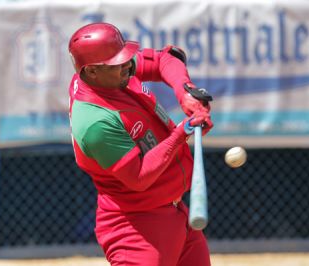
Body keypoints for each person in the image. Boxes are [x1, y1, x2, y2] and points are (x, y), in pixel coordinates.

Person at [67, 22, 214, 266]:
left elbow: (164, 59)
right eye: (118, 63)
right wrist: (182, 133)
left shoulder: (109, 75)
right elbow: (139, 177)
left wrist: (185, 93)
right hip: (137, 229)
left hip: (175, 214)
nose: (127, 65)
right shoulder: (95, 121)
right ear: (91, 71)